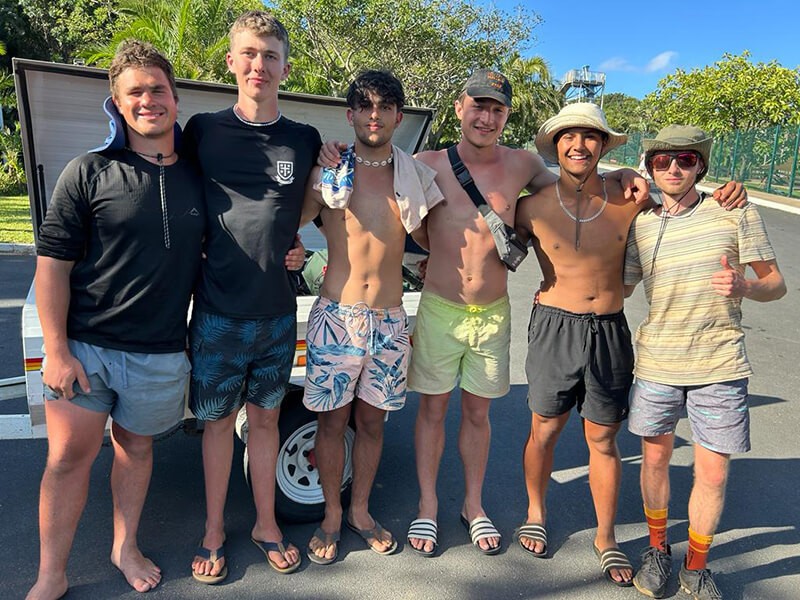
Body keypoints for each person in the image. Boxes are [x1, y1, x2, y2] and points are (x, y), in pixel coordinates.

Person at [401, 71, 651, 558]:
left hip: (492, 313)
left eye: (496, 109)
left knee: (478, 413)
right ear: (459, 107)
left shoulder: (525, 165)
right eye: (478, 105)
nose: (486, 116)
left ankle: (473, 505)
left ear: (506, 116)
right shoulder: (424, 164)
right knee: (432, 411)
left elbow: (575, 183)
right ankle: (427, 506)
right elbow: (384, 201)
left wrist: (624, 175)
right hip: (438, 308)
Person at [515, 105, 747, 587]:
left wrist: (729, 189)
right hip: (554, 327)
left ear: (604, 146)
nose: (579, 145)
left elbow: (687, 196)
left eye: (590, 137)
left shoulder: (631, 197)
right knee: (545, 429)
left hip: (610, 330)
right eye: (569, 136)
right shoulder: (531, 205)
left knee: (602, 438)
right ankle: (535, 511)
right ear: (556, 145)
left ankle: (606, 536)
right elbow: (492, 251)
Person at [26, 40, 205, 599]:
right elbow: (52, 266)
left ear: (175, 98)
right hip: (88, 347)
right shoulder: (89, 171)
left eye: (158, 89)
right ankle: (51, 575)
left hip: (160, 350)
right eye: (136, 92)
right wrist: (56, 350)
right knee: (66, 460)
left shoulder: (202, 175)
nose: (148, 100)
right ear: (118, 103)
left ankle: (124, 548)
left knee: (138, 449)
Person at [182, 10, 320, 583]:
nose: (259, 64)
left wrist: (298, 245)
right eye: (249, 53)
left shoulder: (304, 138)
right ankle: (214, 529)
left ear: (285, 66)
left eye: (270, 55)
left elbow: (315, 202)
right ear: (232, 61)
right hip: (215, 314)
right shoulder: (203, 130)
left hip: (276, 315)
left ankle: (266, 523)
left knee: (264, 423)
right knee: (217, 425)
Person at [625, 126, 786, 600]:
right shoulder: (643, 223)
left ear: (701, 166)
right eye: (662, 160)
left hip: (720, 362)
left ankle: (697, 565)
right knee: (655, 460)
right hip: (658, 359)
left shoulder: (735, 212)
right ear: (650, 166)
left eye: (686, 159)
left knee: (712, 472)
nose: (673, 168)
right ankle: (658, 549)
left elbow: (775, 283)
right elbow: (623, 285)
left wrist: (746, 287)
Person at [301, 70, 443, 565]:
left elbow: (437, 235)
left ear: (399, 117)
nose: (375, 114)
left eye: (385, 106)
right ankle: (333, 515)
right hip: (335, 316)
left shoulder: (414, 176)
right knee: (332, 422)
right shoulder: (330, 170)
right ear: (351, 114)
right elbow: (292, 219)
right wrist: (315, 172)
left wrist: (436, 262)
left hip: (388, 319)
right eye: (365, 106)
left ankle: (360, 512)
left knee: (373, 424)